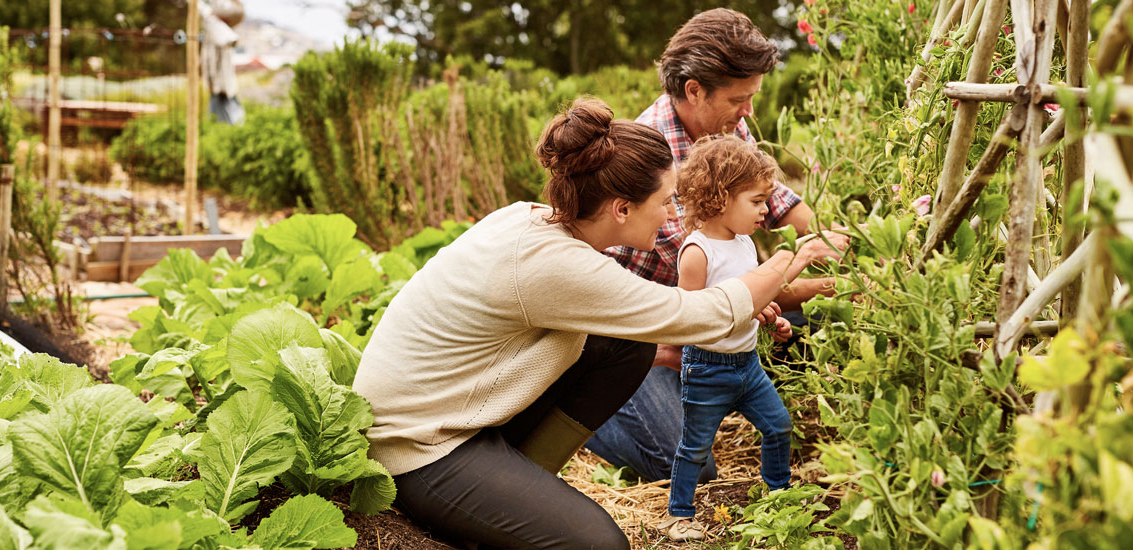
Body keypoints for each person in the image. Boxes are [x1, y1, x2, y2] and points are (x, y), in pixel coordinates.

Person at [352, 98, 847, 549]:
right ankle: (496, 499)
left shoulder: (536, 221)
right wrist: (792, 259)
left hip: (460, 408)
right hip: (418, 446)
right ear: (621, 208)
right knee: (599, 545)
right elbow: (699, 316)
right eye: (666, 201)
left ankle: (521, 475)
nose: (674, 215)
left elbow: (670, 321)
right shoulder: (556, 266)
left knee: (624, 346)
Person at [587, 7, 835, 485]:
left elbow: (787, 207)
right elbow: (731, 293)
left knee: (813, 326)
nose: (749, 113)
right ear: (694, 90)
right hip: (639, 341)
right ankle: (586, 412)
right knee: (692, 468)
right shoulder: (653, 163)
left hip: (703, 323)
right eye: (739, 99)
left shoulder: (721, 128)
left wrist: (841, 243)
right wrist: (826, 283)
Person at [661, 136, 807, 542]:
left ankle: (778, 494)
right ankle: (679, 514)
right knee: (696, 447)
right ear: (722, 198)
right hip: (707, 368)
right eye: (757, 201)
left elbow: (749, 296)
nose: (765, 211)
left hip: (748, 365)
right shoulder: (698, 252)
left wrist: (765, 315)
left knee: (778, 426)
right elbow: (692, 319)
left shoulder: (744, 243)